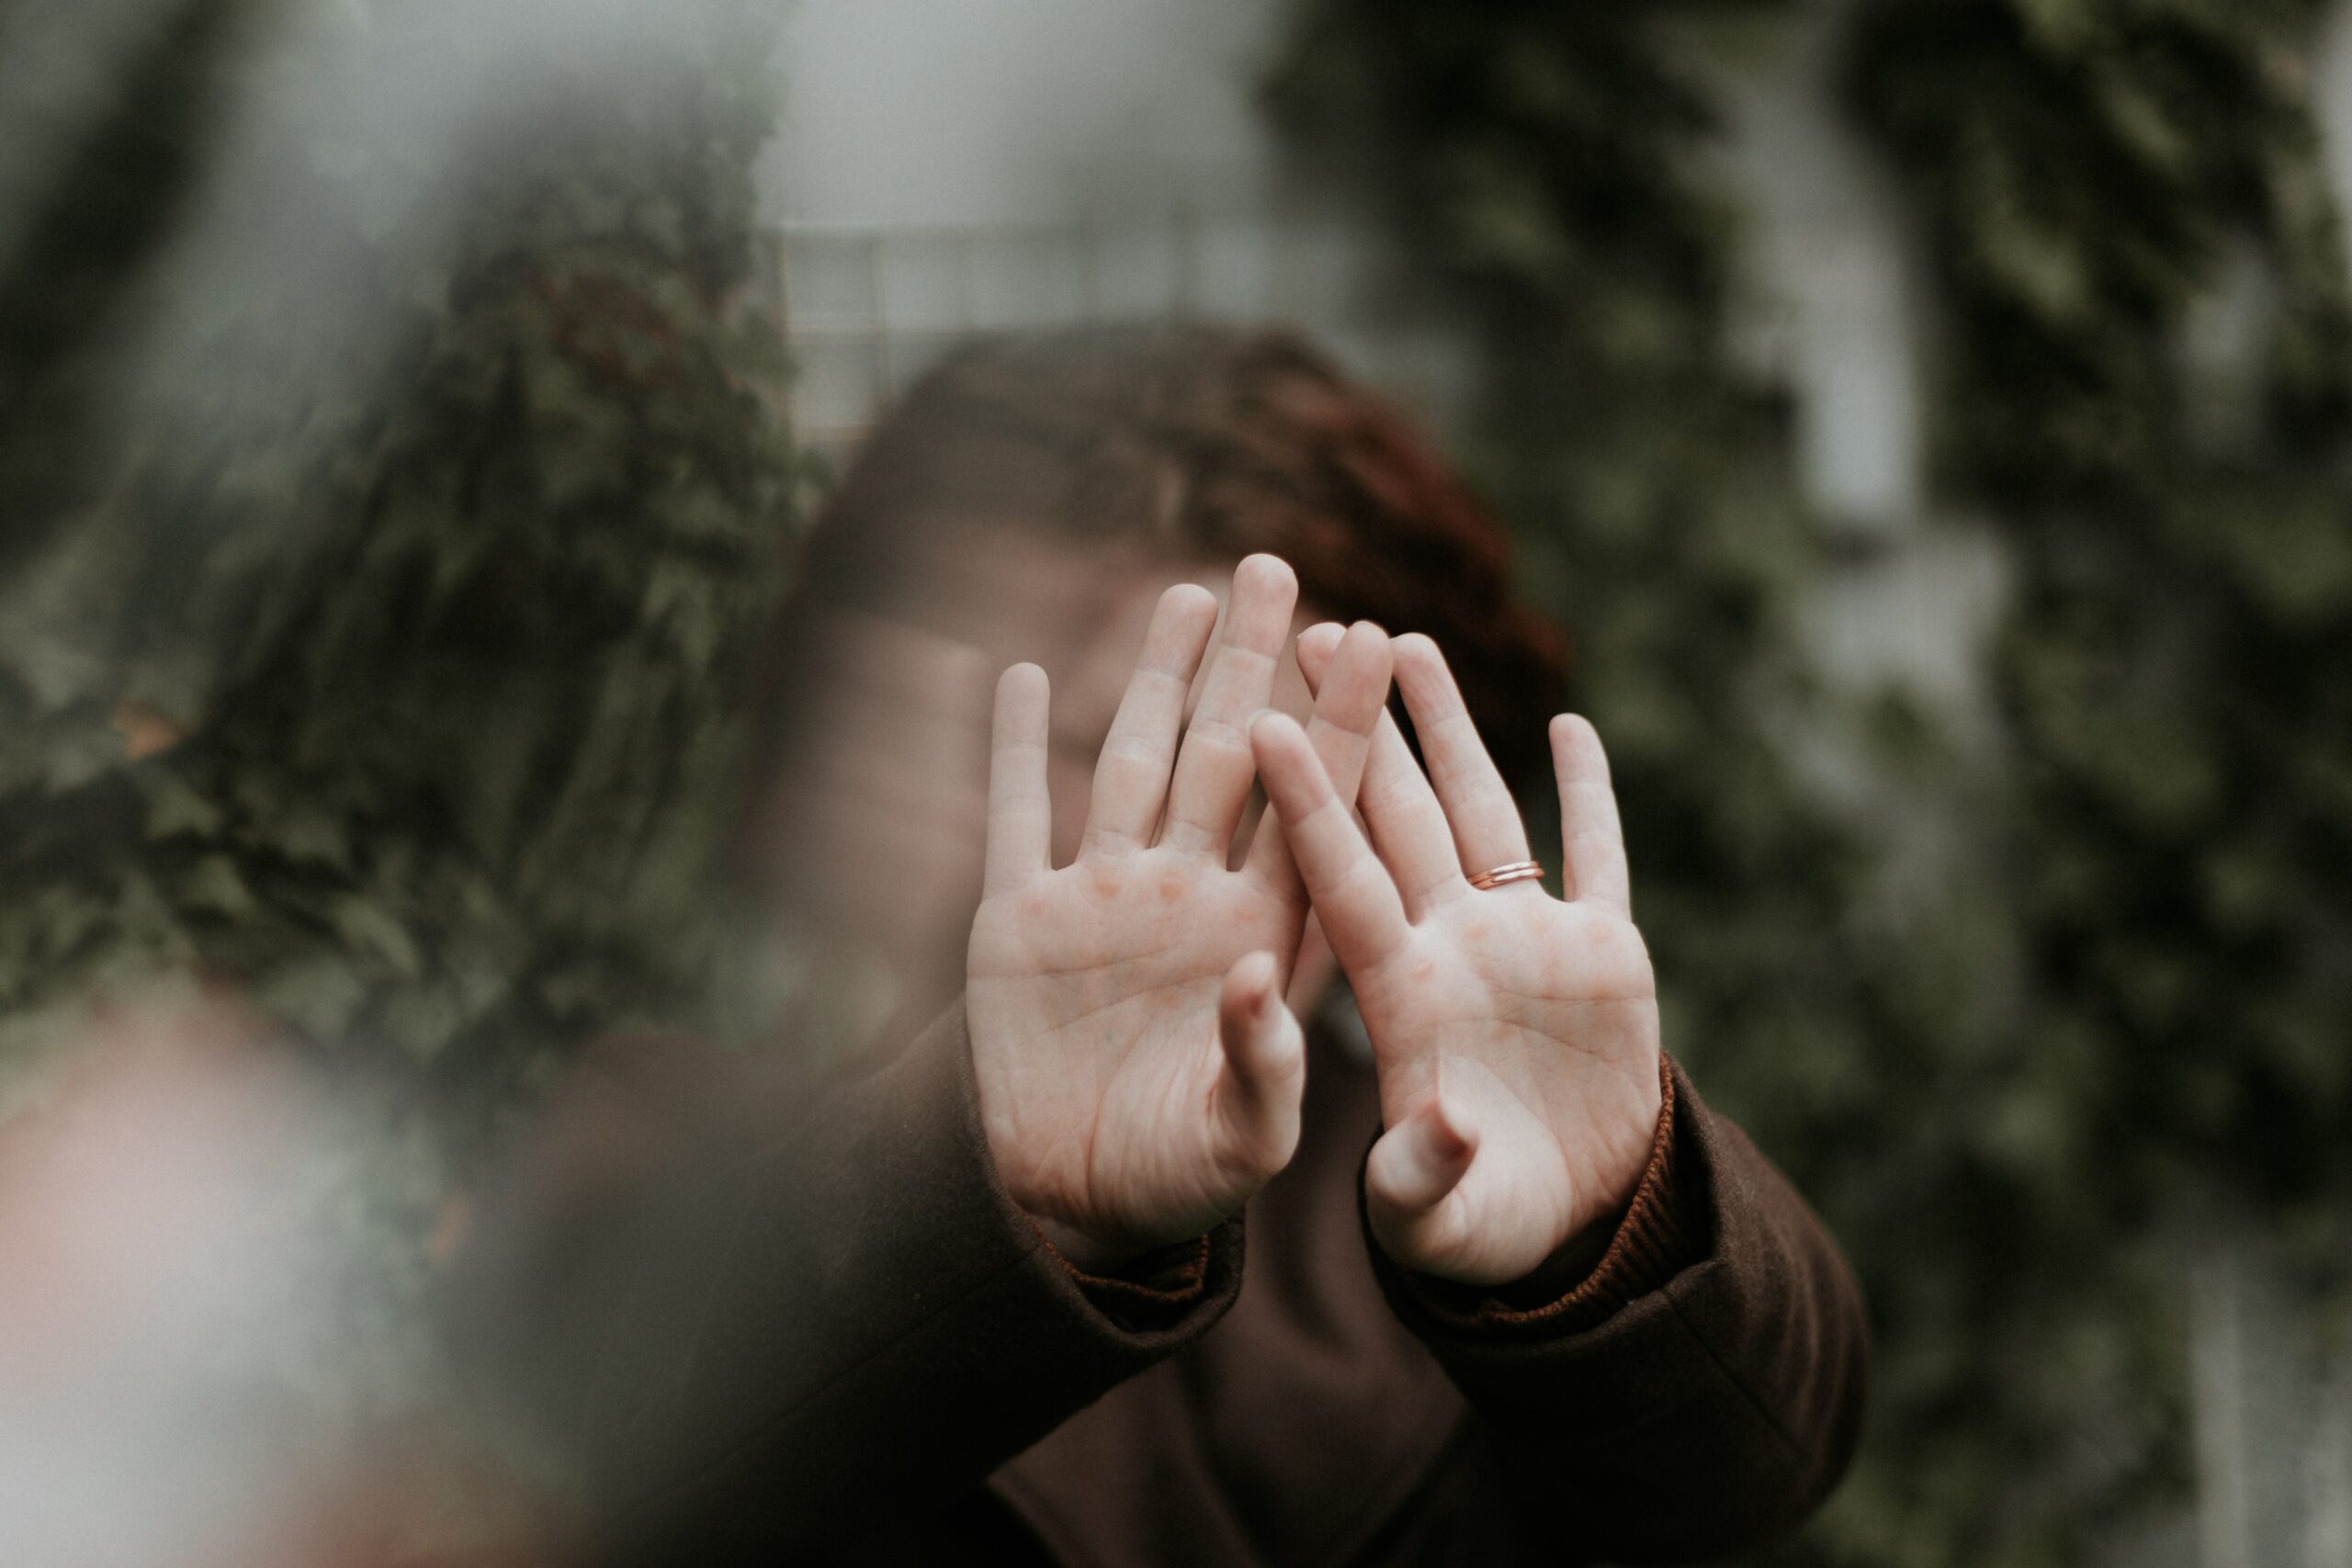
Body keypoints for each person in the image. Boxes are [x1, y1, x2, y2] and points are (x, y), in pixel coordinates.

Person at [452, 327, 1868, 1566]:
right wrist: (1009, 1195)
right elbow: (605, 1446)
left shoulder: (1444, 1186)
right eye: (1106, 744)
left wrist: (1613, 1231)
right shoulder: (665, 1143)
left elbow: (1756, 1468)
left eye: (1294, 773)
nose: (1214, 859)